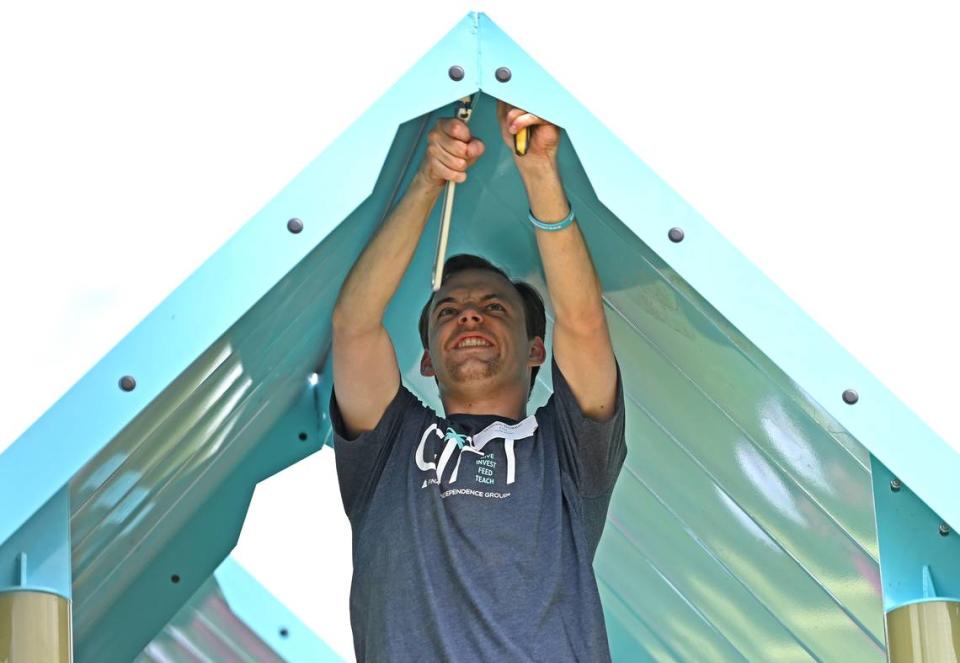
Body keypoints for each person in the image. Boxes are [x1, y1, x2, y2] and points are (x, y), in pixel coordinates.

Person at [330, 99, 627, 662]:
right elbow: (354, 325)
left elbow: (584, 325)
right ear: (425, 362)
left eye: (494, 307)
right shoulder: (388, 449)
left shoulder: (569, 454)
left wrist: (539, 171)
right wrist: (427, 179)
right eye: (448, 311)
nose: (468, 315)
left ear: (536, 349)